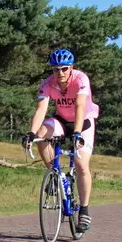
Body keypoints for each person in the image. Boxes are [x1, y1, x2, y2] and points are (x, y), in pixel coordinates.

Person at [22, 48, 99, 232]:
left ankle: (85, 211)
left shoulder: (81, 79)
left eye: (64, 69)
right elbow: (41, 109)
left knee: (81, 166)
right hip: (62, 120)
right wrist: (31, 134)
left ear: (71, 67)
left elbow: (80, 105)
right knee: (42, 135)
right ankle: (55, 175)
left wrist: (78, 133)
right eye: (56, 69)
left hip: (83, 123)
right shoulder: (47, 83)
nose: (60, 73)